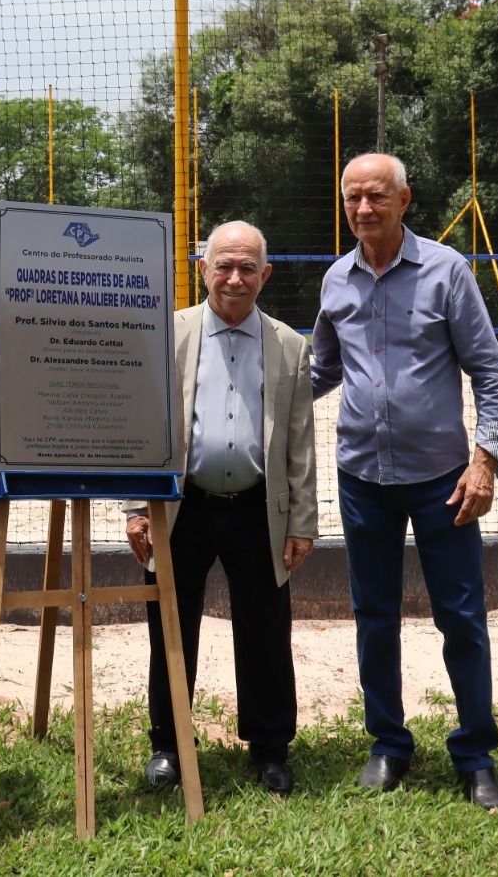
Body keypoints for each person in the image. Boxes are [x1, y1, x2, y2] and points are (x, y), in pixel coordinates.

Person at [310, 153, 498, 810]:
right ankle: (388, 745)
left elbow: (490, 370)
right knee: (374, 615)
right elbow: (320, 370)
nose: (363, 209)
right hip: (361, 476)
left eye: (376, 196)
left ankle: (476, 753)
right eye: (352, 198)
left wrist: (485, 461)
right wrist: (254, 393)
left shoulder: (446, 271)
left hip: (443, 480)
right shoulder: (335, 281)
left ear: (405, 200)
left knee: (461, 616)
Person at [124, 221, 318, 796]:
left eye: (248, 267)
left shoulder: (288, 345)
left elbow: (300, 442)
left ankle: (270, 747)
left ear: (266, 274)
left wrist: (302, 520)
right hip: (181, 508)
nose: (235, 278)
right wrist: (138, 506)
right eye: (223, 265)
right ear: (202, 268)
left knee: (265, 631)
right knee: (170, 628)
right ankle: (168, 744)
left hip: (260, 509)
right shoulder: (168, 332)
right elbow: (142, 425)